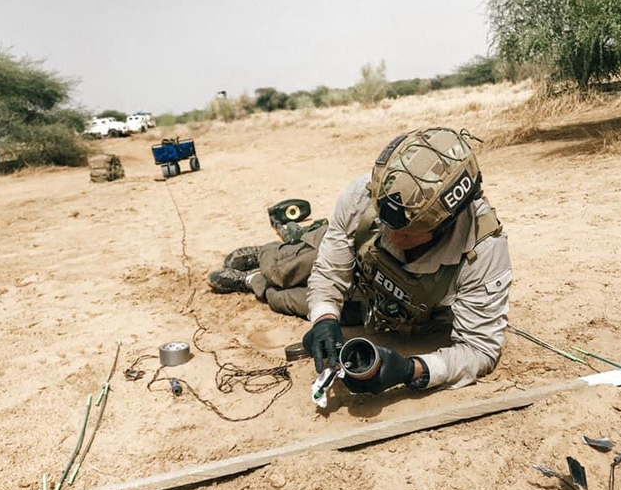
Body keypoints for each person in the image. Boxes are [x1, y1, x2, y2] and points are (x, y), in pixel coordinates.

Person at [208, 127, 512, 393]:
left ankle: (252, 281)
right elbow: (329, 274)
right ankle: (266, 256)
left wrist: (411, 370)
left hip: (384, 306)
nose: (392, 238)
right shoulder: (363, 195)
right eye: (386, 222)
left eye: (406, 233)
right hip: (352, 257)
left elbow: (479, 349)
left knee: (284, 300)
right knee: (286, 268)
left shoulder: (483, 250)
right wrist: (326, 319)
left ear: (445, 226)